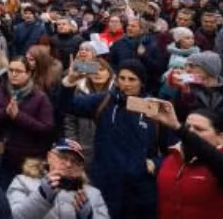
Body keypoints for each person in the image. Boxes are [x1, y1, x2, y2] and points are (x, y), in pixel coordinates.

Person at [59, 59, 160, 219]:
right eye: (122, 78)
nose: (126, 83)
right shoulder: (105, 100)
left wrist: (156, 162)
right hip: (105, 184)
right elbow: (67, 106)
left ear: (142, 83)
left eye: (132, 79)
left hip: (138, 190)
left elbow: (171, 147)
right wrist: (70, 81)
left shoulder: (154, 108)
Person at [147, 102, 223, 219]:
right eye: (188, 127)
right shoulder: (170, 160)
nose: (191, 132)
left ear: (220, 138)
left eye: (199, 129)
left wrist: (179, 129)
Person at [0, 55, 55, 188]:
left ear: (29, 73)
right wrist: (4, 112)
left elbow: (47, 128)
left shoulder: (40, 97)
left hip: (26, 160)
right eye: (11, 70)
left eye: (19, 71)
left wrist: (19, 116)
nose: (13, 74)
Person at [7, 138, 109, 219]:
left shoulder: (93, 194)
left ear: (81, 168)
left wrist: (89, 217)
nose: (68, 164)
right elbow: (14, 216)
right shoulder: (22, 182)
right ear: (49, 157)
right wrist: (42, 196)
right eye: (63, 157)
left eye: (75, 161)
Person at [62, 58, 112, 168]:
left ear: (110, 73)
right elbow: (70, 121)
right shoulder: (78, 92)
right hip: (82, 150)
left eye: (102, 69)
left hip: (107, 153)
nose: (98, 73)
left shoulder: (115, 97)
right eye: (94, 69)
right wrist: (73, 145)